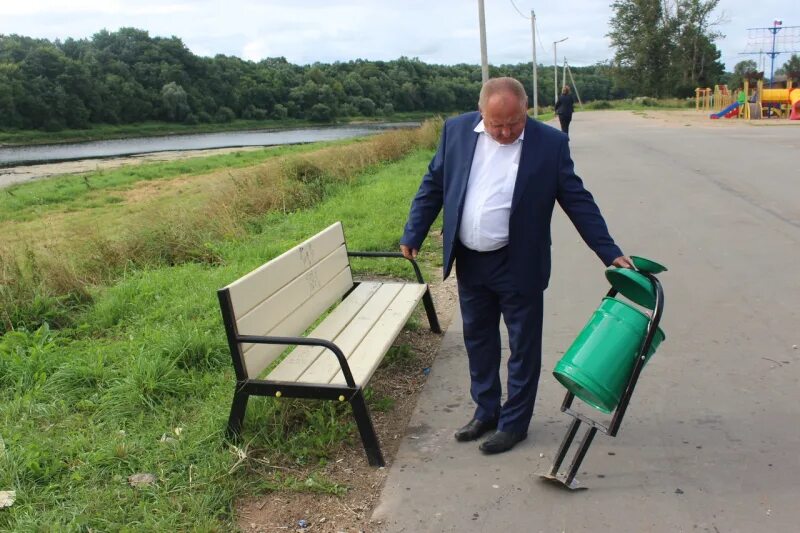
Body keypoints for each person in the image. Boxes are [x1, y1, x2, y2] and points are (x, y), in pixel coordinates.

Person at [399, 77, 631, 455]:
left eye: (514, 123)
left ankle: (515, 423)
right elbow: (434, 184)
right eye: (497, 125)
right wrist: (414, 232)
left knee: (523, 345)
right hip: (471, 259)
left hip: (518, 261)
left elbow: (577, 200)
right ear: (481, 114)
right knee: (478, 340)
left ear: (525, 111)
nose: (505, 132)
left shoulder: (550, 144)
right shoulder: (456, 131)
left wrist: (609, 251)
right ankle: (486, 411)